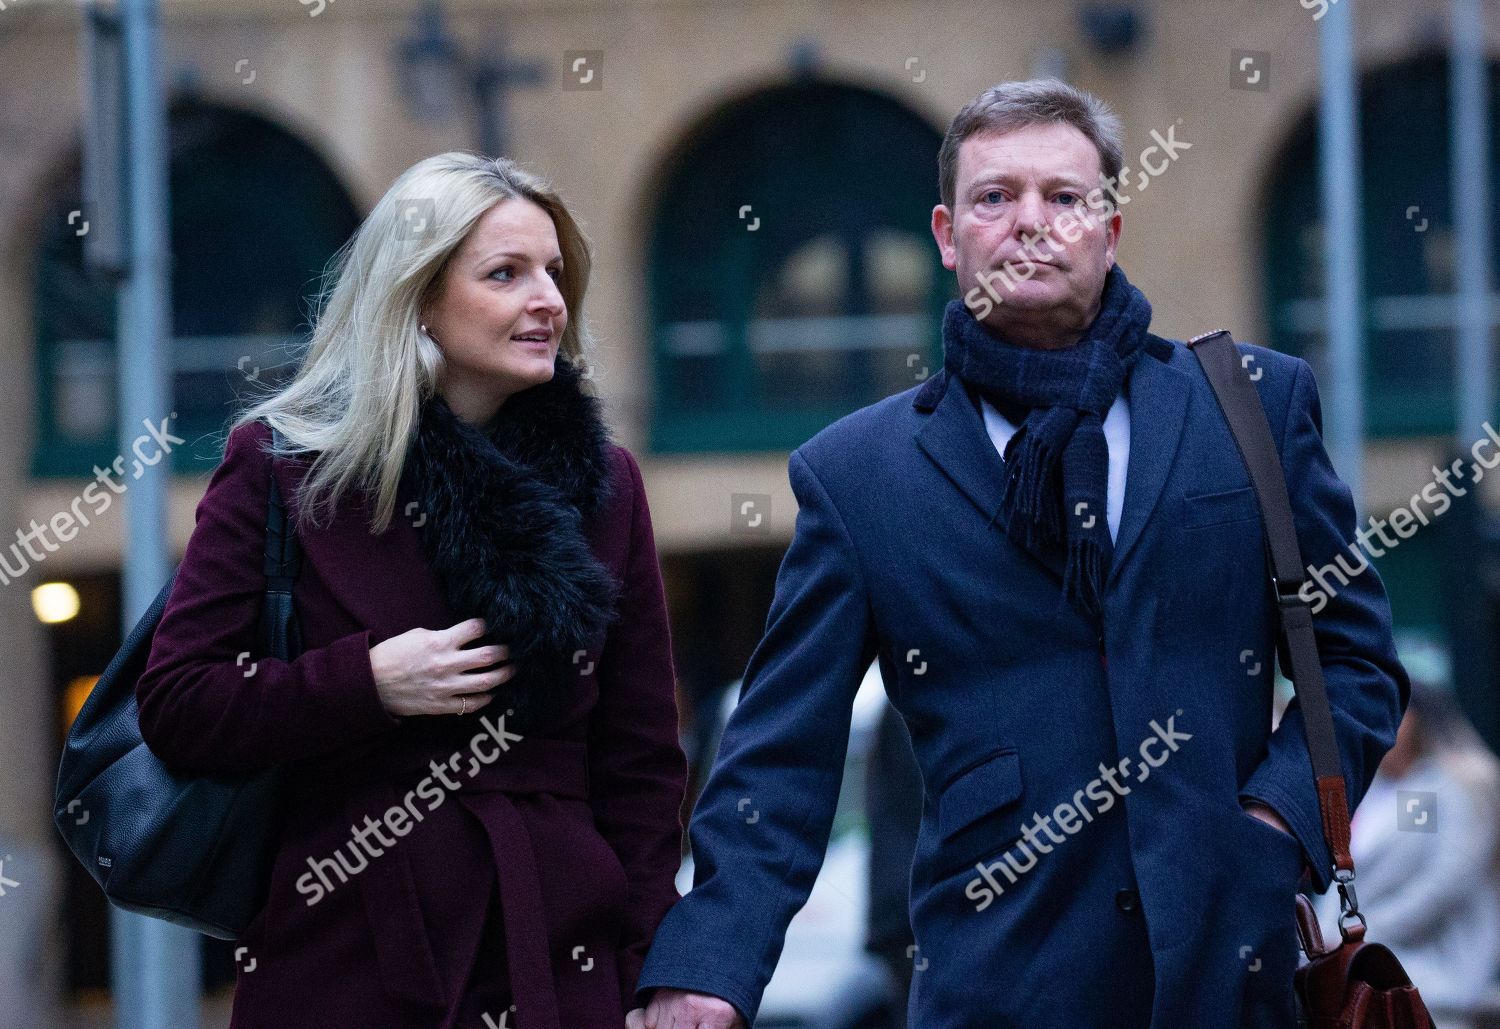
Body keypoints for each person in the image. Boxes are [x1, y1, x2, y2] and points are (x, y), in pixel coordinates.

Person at [631, 79, 1408, 1029]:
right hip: (1000, 986)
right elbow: (783, 752)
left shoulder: (1251, 407)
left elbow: (1357, 665)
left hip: (1230, 978)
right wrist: (708, 964)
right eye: (995, 198)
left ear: (1108, 231)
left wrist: (1272, 823)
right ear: (948, 236)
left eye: (1065, 197)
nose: (1030, 223)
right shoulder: (859, 475)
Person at [135, 152, 687, 1028]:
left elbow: (642, 763)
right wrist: (367, 684)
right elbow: (177, 701)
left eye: (552, 271)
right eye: (505, 274)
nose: (548, 298)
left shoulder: (607, 486)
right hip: (347, 954)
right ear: (418, 296)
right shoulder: (281, 466)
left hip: (563, 962)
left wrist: (652, 969)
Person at [1310, 680, 1500, 1026]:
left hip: (1428, 986)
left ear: (1413, 719)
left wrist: (1358, 932)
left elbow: (1444, 883)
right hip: (1361, 977)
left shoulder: (1438, 789)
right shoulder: (1376, 789)